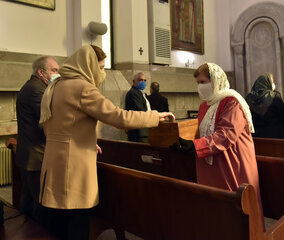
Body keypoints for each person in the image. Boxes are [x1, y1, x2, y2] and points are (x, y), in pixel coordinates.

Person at [38, 45, 174, 240]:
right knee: (77, 225)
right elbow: (119, 117)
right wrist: (154, 117)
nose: (102, 73)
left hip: (55, 163)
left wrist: (83, 139)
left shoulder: (57, 85)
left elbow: (58, 126)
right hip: (73, 169)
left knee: (58, 226)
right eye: (100, 68)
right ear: (88, 66)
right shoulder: (82, 87)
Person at [173, 63, 264, 228]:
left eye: (203, 82)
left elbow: (227, 134)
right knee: (216, 209)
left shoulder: (232, 102)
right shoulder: (204, 105)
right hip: (210, 162)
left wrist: (196, 146)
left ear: (215, 81)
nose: (200, 87)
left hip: (232, 161)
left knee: (237, 207)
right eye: (198, 83)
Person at [16, 56, 59, 221]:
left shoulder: (35, 86)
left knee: (28, 203)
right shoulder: (36, 89)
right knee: (40, 204)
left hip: (30, 155)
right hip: (36, 156)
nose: (57, 73)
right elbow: (51, 117)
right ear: (41, 72)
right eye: (54, 70)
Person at [245, 73, 284, 138]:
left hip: (255, 137)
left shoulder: (248, 98)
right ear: (268, 83)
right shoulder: (275, 96)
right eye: (272, 82)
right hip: (274, 135)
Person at [125, 72, 152, 142]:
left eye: (144, 80)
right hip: (138, 131)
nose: (143, 82)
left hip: (145, 129)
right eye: (140, 80)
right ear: (134, 81)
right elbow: (140, 111)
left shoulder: (143, 94)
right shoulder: (133, 93)